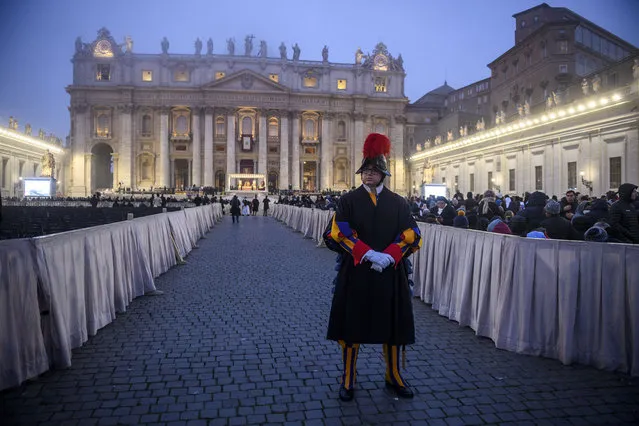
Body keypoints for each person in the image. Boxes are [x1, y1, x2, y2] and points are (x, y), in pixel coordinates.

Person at [324, 133, 422, 402]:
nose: (368, 175)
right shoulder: (347, 201)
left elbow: (412, 234)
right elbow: (337, 233)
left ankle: (394, 375)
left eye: (373, 171)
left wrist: (389, 256)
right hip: (357, 273)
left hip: (390, 274)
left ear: (383, 175)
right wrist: (368, 254)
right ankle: (348, 376)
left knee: (392, 325)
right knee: (352, 324)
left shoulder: (399, 203)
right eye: (365, 171)